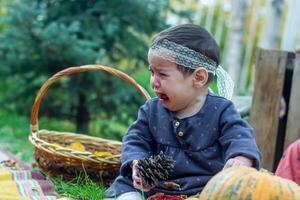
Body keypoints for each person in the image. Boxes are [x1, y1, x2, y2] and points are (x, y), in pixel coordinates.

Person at [105, 24, 261, 200]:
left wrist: (241, 160)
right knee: (126, 188)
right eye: (152, 72)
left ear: (198, 78)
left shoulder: (221, 111)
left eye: (162, 74)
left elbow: (240, 137)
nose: (153, 82)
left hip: (202, 189)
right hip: (154, 186)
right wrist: (137, 163)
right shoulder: (151, 110)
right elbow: (135, 140)